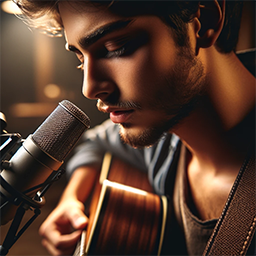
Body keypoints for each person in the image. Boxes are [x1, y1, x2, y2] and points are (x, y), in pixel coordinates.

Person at [14, 0, 256, 255]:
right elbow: (96, 141)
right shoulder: (163, 139)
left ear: (203, 23)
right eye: (80, 59)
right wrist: (73, 197)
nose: (89, 88)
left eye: (116, 47)